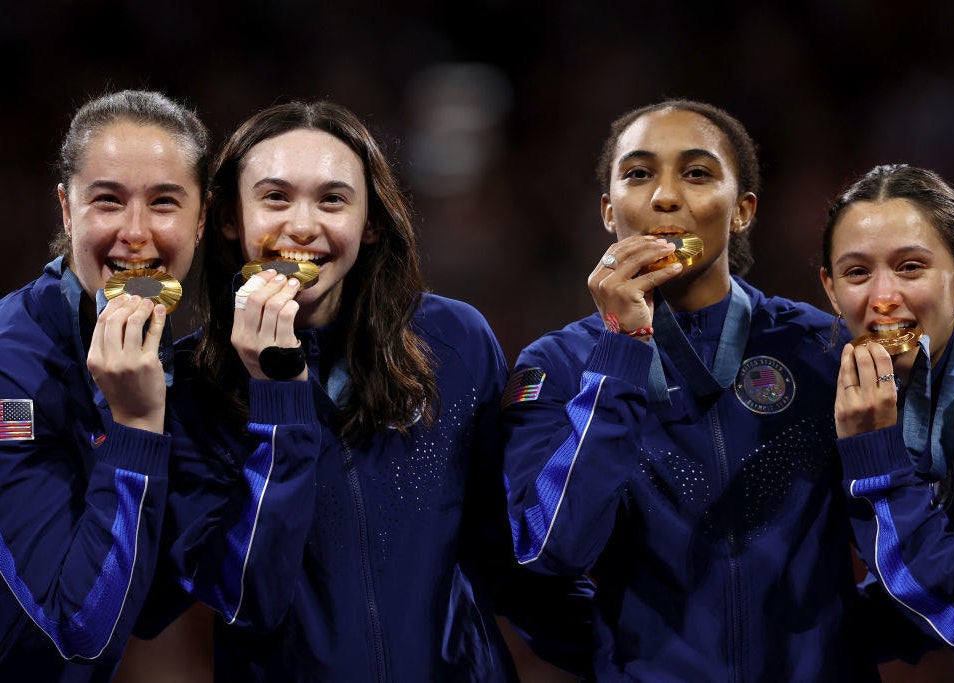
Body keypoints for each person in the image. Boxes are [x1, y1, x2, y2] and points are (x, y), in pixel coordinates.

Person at [155, 100, 590, 681]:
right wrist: (277, 400)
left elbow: (509, 556)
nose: (302, 225)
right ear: (231, 218)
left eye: (332, 200)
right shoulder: (192, 385)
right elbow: (246, 596)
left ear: (371, 223)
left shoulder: (453, 339)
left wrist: (635, 657)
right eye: (275, 197)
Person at [501, 98, 880, 681]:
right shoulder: (559, 364)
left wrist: (841, 646)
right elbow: (553, 547)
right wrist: (622, 348)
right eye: (638, 174)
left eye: (697, 173)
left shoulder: (822, 349)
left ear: (743, 211)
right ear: (608, 212)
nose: (665, 197)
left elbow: (896, 531)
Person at [0, 90, 209, 680]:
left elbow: (150, 601)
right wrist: (136, 427)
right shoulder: (11, 375)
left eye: (164, 203)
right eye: (108, 201)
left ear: (201, 219)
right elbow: (80, 633)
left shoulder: (166, 364)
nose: (135, 233)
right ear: (67, 211)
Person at [820, 163, 954, 681]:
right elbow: (922, 601)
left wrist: (876, 461)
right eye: (857, 273)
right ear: (831, 291)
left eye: (910, 267)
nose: (883, 297)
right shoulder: (905, 382)